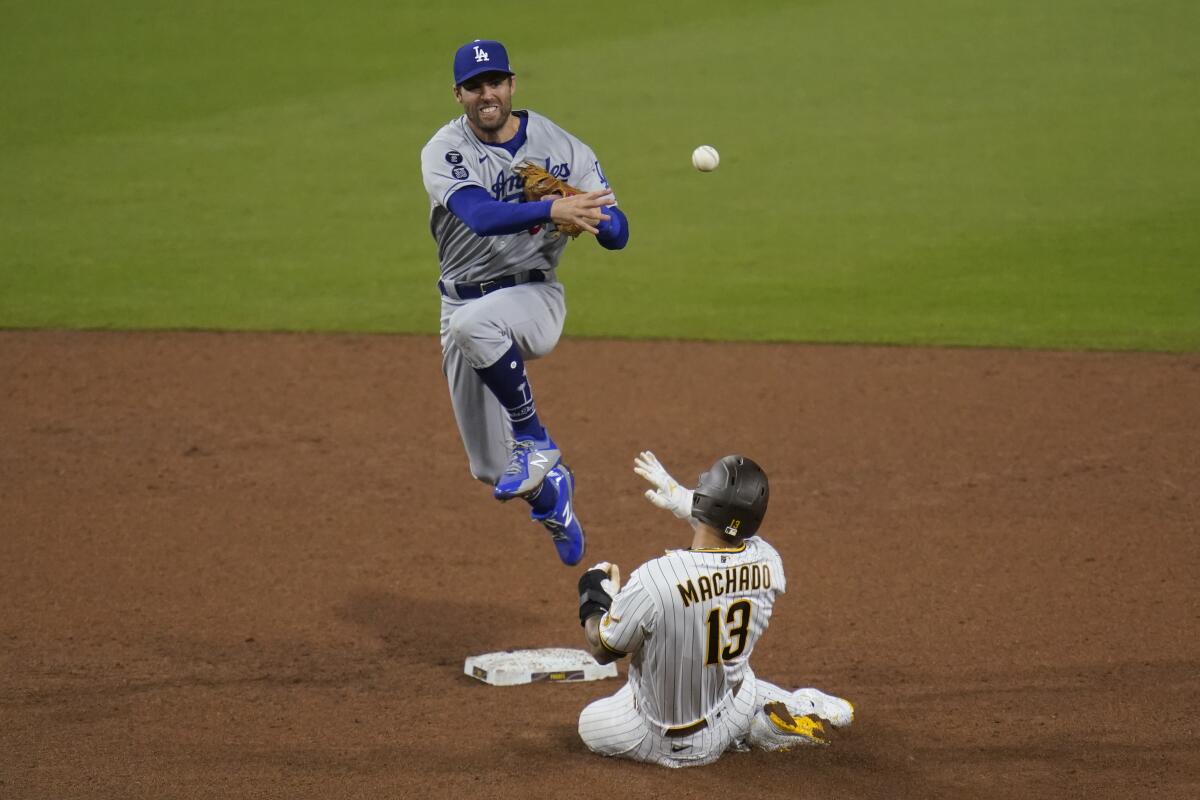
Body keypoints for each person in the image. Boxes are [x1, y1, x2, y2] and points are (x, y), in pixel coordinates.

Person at [420, 39, 629, 567]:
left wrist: (593, 215)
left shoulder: (564, 147)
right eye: (474, 87)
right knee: (490, 467)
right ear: (458, 94)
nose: (485, 94)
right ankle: (551, 492)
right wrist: (554, 206)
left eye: (495, 83)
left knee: (476, 327)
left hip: (535, 296)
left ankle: (534, 438)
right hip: (461, 304)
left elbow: (619, 234)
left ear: (512, 85)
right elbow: (481, 216)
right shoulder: (445, 150)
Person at [574, 451, 855, 768]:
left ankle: (762, 723)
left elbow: (603, 648)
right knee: (737, 675)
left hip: (663, 739)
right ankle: (796, 706)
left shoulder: (655, 580)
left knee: (589, 722)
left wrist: (595, 595)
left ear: (704, 502)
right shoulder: (768, 562)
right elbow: (729, 531)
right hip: (731, 707)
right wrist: (683, 500)